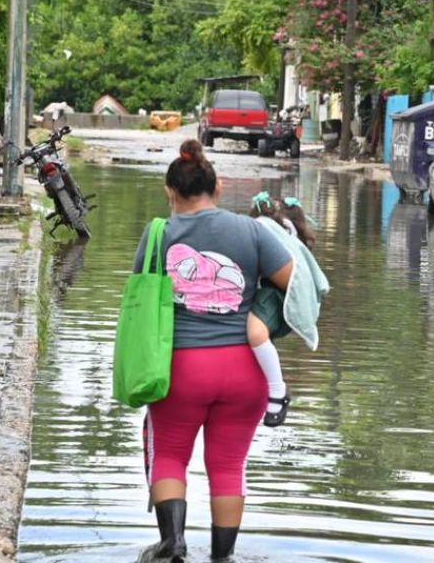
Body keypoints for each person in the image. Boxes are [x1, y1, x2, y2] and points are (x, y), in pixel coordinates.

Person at [135, 139, 294, 562]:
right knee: (228, 466)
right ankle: (222, 558)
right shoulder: (252, 230)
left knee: (169, 453)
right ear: (218, 188)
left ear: (170, 191)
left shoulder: (156, 236)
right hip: (245, 371)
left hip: (180, 371)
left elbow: (140, 302)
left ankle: (172, 545)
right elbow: (295, 287)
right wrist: (259, 314)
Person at [247, 192, 328, 427]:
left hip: (276, 295)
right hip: (265, 291)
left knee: (255, 331)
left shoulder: (275, 233)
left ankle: (277, 390)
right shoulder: (280, 234)